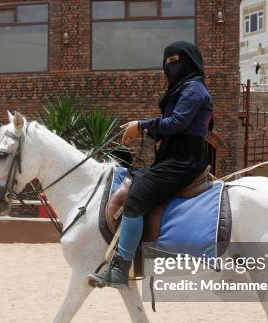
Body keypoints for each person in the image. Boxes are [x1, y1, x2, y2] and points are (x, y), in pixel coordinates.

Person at [88, 41, 214, 289]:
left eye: (175, 61)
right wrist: (153, 132)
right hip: (172, 158)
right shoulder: (184, 89)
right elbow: (179, 126)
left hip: (183, 161)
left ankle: (120, 269)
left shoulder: (194, 90)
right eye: (166, 62)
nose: (169, 66)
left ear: (189, 61)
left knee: (135, 199)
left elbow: (177, 123)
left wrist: (142, 126)